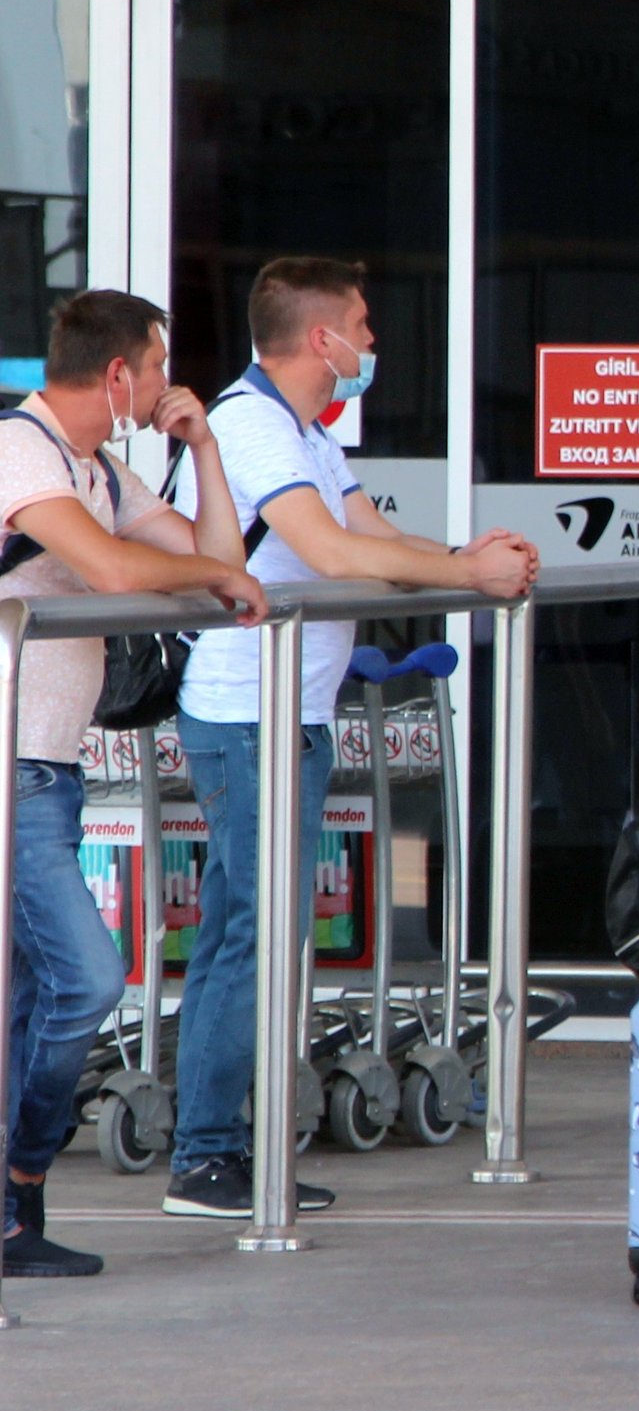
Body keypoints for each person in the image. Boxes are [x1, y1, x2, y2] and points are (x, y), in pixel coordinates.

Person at [164, 259, 540, 1223]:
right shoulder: (251, 424)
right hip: (247, 714)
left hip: (292, 714)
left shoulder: (308, 433)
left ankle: (218, 1149)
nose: (373, 342)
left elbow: (375, 535)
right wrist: (470, 575)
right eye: (363, 326)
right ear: (320, 339)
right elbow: (332, 555)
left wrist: (467, 561)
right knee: (252, 936)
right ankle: (206, 1156)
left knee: (249, 933)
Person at [1, 292, 268, 1280]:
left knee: (30, 994)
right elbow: (116, 569)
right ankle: (20, 1177)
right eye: (157, 368)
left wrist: (204, 449)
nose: (166, 385)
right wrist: (211, 584)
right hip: (11, 769)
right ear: (117, 374)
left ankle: (12, 1216)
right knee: (86, 979)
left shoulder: (101, 468)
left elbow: (218, 556)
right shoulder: (21, 450)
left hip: (49, 763)